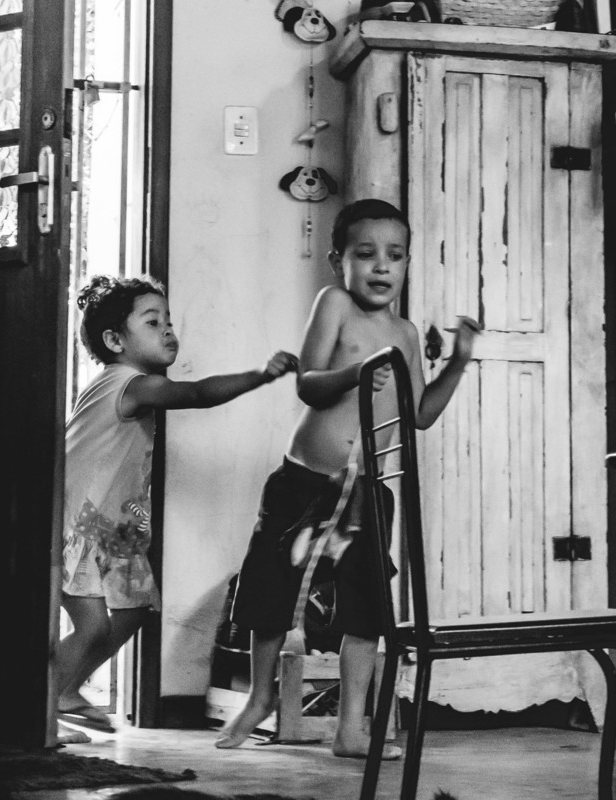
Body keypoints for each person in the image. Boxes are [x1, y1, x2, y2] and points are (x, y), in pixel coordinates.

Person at [216, 199, 481, 758]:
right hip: (303, 480)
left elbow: (419, 415)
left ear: (407, 264)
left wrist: (457, 362)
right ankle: (260, 698)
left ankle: (351, 729)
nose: (381, 265)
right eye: (366, 254)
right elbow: (308, 384)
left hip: (366, 492)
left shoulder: (406, 333)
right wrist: (357, 373)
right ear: (340, 262)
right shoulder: (333, 303)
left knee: (366, 608)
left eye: (395, 255)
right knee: (272, 589)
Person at [58, 274, 297, 734]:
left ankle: (66, 688)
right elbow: (197, 394)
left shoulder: (126, 383)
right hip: (79, 524)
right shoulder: (129, 383)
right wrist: (261, 375)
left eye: (168, 320)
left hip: (112, 529)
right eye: (152, 322)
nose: (168, 329)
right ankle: (41, 704)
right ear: (115, 341)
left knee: (134, 610)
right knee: (91, 627)